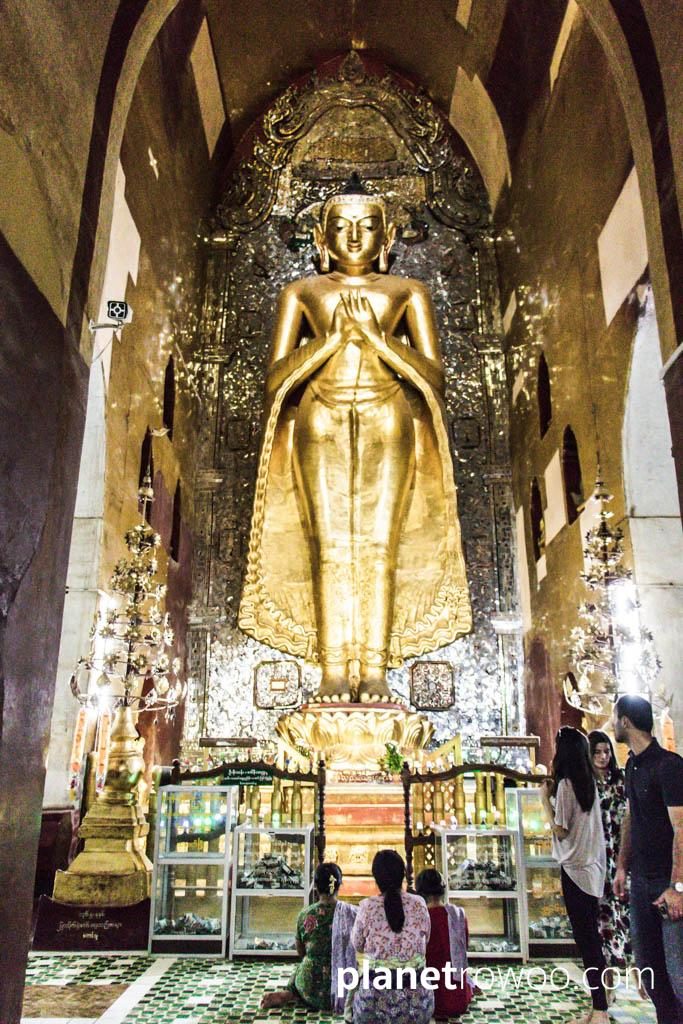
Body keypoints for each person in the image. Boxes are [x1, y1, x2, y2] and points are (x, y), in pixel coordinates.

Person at [239, 176, 471, 702]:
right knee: (329, 546)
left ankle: (375, 670)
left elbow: (434, 377)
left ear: (386, 239)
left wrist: (378, 341)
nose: (353, 237)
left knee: (380, 546)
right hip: (319, 417)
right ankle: (332, 671)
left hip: (387, 416)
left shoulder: (407, 292)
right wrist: (330, 342)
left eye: (366, 227)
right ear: (321, 239)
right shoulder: (302, 293)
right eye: (341, 227)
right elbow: (275, 381)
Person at [613, 694, 683, 1024]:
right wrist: (622, 866)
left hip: (667, 883)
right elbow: (631, 816)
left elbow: (681, 828)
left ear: (625, 722)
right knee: (650, 971)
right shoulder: (632, 765)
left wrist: (677, 887)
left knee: (678, 973)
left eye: (615, 718)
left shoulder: (668, 766)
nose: (613, 725)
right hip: (641, 881)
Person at [541, 726, 608, 1024]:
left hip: (574, 871)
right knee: (591, 941)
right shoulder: (589, 783)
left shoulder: (567, 786)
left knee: (587, 943)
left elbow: (560, 830)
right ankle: (598, 1006)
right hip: (591, 870)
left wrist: (544, 800)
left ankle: (600, 1010)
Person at [351, 849, 434, 1024]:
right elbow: (425, 940)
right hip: (417, 1005)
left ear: (376, 878)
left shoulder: (367, 907)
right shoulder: (419, 903)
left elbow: (357, 944)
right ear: (403, 874)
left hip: (374, 1004)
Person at [260, 861, 356, 1012]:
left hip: (310, 988)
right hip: (344, 986)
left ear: (316, 886)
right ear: (339, 885)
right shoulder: (352, 913)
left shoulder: (305, 915)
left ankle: (290, 993)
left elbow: (301, 952)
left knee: (304, 965)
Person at [589, 730, 631, 988]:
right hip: (597, 855)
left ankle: (633, 968)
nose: (603, 757)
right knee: (601, 915)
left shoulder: (621, 779)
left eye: (606, 751)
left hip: (621, 851)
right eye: (597, 752)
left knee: (625, 912)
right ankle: (607, 975)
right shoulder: (586, 782)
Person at [415, 867, 475, 1018]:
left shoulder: (420, 919)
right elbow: (465, 947)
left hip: (429, 1000)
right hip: (458, 998)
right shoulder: (458, 915)